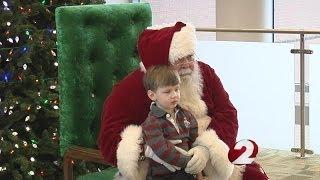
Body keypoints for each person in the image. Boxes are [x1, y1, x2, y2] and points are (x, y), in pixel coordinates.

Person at [98, 21, 268, 180]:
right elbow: (110, 138)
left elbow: (227, 113)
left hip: (211, 151)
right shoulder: (130, 88)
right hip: (164, 167)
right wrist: (152, 151)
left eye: (190, 56)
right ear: (161, 65)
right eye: (180, 59)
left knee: (254, 175)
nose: (188, 64)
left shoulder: (205, 72)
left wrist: (206, 149)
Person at [141, 65, 200, 180]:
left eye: (177, 89)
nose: (174, 95)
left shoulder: (186, 115)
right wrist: (189, 162)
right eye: (167, 91)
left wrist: (198, 154)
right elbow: (162, 150)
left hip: (187, 170)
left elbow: (194, 138)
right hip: (164, 174)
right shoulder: (152, 122)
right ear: (152, 95)